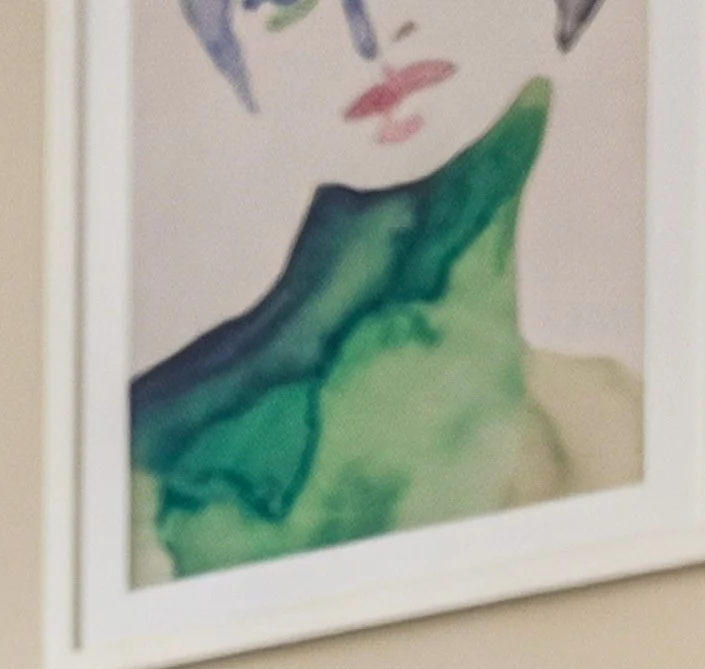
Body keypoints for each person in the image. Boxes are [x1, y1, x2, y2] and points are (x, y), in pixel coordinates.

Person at [135, 0, 640, 580]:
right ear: (234, 67)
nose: (372, 40)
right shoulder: (169, 454)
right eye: (291, 7)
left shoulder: (626, 391)